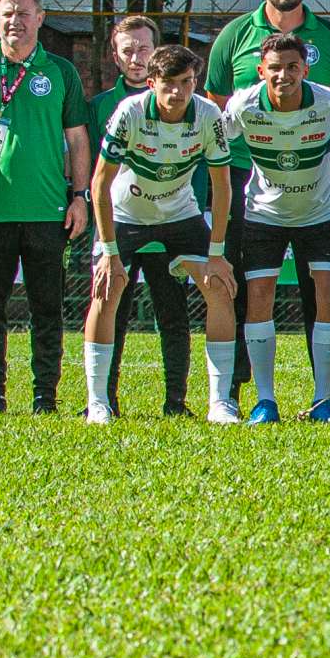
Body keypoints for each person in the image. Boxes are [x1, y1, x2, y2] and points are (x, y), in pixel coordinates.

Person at [206, 0, 330, 403]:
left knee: (325, 294)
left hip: (318, 193)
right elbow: (214, 111)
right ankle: (239, 392)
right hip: (252, 188)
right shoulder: (233, 34)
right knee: (248, 291)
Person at [0, 0, 91, 414]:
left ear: (40, 19)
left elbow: (79, 139)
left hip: (47, 211)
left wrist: (80, 195)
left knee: (47, 310)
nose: (15, 22)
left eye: (24, 14)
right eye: (8, 14)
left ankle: (44, 396)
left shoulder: (60, 72)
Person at [83, 45, 240, 423]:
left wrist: (216, 254)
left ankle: (220, 402)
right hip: (126, 213)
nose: (179, 93)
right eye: (169, 84)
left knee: (219, 286)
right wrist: (107, 251)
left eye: (187, 83)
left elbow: (222, 188)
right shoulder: (130, 113)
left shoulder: (208, 115)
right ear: (151, 83)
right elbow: (99, 184)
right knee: (108, 289)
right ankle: (98, 402)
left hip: (180, 213)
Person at [220, 32, 330, 423]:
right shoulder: (244, 104)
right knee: (259, 298)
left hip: (321, 214)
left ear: (305, 69)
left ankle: (323, 400)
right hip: (265, 215)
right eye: (275, 68)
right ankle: (265, 400)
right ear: (261, 71)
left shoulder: (329, 101)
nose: (284, 75)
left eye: (292, 67)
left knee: (328, 300)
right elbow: (212, 137)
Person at [86, 15, 195, 417]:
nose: (135, 57)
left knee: (173, 310)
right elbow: (94, 172)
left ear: (157, 52)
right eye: (127, 50)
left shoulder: (191, 105)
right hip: (119, 220)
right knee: (112, 304)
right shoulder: (101, 106)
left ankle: (176, 402)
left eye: (143, 49)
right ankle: (102, 401)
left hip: (172, 217)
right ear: (115, 55)